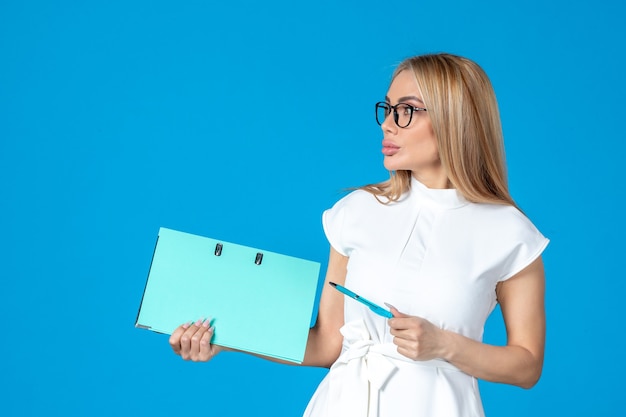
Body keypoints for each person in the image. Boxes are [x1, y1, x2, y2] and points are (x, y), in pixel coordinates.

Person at [168, 53, 549, 417]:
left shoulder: (510, 233)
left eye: (407, 111)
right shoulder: (358, 211)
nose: (387, 124)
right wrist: (228, 336)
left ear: (455, 119)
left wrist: (444, 344)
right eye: (388, 109)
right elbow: (327, 344)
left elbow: (527, 365)